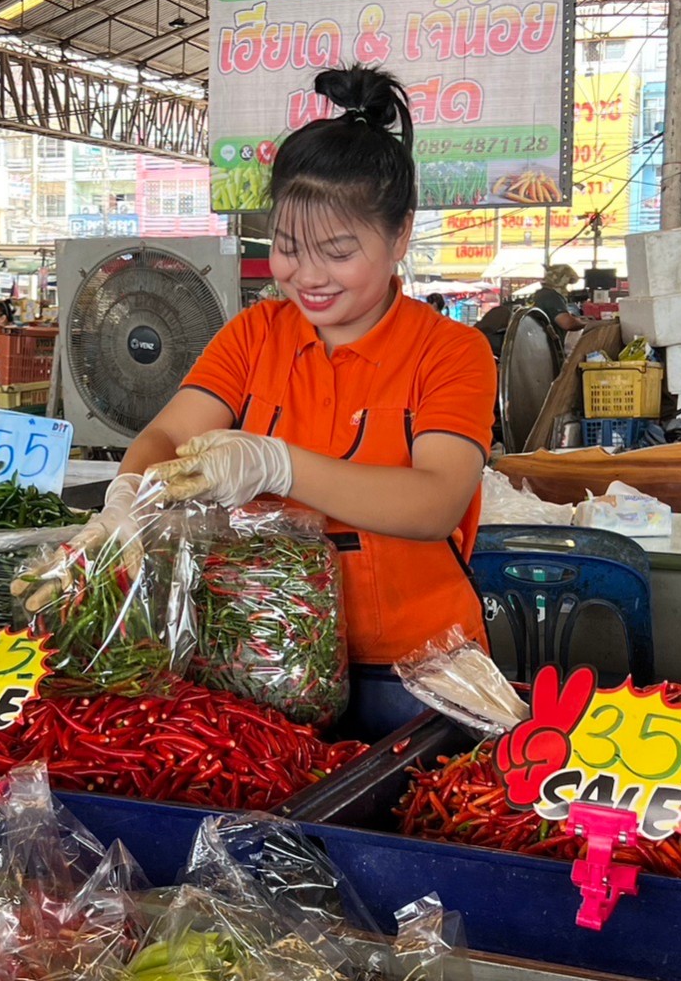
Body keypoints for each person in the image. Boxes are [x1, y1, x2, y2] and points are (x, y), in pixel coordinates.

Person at [95, 66, 500, 662]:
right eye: (287, 247)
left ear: (401, 236)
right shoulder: (255, 334)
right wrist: (129, 491)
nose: (307, 276)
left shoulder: (451, 351)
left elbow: (436, 503)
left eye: (337, 252)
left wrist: (277, 465)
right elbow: (168, 433)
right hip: (266, 655)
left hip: (421, 663)